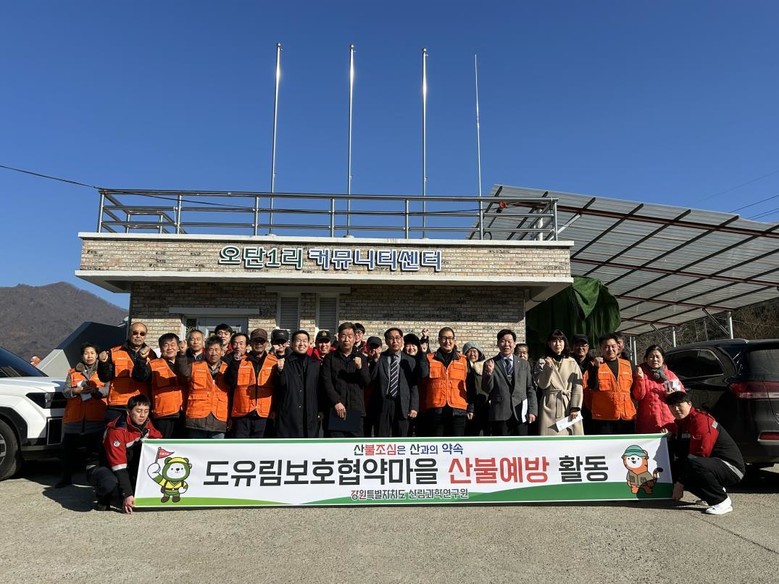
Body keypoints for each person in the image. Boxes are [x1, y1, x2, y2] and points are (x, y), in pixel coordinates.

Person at [665, 391, 745, 515]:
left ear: (689, 404)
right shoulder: (682, 423)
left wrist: (680, 484)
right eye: (672, 406)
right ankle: (711, 495)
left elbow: (700, 454)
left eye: (679, 405)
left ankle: (722, 502)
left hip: (731, 468)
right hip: (712, 465)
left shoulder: (700, 420)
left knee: (693, 465)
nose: (676, 409)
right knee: (676, 467)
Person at [88, 394, 162, 513]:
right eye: (138, 411)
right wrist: (127, 494)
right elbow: (119, 466)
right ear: (128, 412)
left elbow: (158, 441)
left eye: (146, 411)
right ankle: (102, 499)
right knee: (109, 483)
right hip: (102, 465)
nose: (142, 415)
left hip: (125, 463)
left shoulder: (146, 423)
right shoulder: (117, 430)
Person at [57, 343, 108, 488]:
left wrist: (95, 391)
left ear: (97, 355)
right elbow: (65, 392)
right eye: (86, 353)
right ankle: (65, 478)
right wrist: (76, 391)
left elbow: (108, 389)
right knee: (67, 451)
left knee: (94, 453)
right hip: (74, 418)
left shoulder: (103, 371)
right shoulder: (73, 372)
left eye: (92, 353)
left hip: (96, 417)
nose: (89, 356)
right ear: (81, 356)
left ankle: (93, 479)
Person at [320, 322, 371, 437]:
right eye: (343, 336)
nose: (346, 339)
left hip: (355, 409)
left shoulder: (361, 358)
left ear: (355, 338)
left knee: (355, 445)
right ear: (338, 337)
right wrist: (336, 402)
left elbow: (366, 381)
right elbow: (326, 382)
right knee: (336, 444)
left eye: (350, 336)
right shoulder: (330, 358)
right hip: (336, 409)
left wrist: (360, 368)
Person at [133, 333, 187, 439]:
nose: (170, 348)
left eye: (172, 345)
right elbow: (139, 377)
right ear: (161, 349)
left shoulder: (186, 363)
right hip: (163, 415)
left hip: (183, 413)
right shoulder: (153, 364)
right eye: (166, 345)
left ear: (178, 347)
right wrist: (141, 360)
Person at [174, 335, 230, 438]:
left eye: (217, 350)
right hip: (196, 420)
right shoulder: (195, 366)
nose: (213, 353)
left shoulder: (228, 369)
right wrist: (181, 355)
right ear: (205, 351)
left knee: (216, 448)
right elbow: (182, 372)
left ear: (222, 351)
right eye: (210, 350)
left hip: (219, 420)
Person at [484, 329, 537, 436]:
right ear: (498, 343)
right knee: (501, 445)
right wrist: (489, 374)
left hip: (521, 412)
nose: (506, 344)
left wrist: (532, 410)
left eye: (509, 341)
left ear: (514, 344)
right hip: (500, 413)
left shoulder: (524, 364)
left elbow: (530, 388)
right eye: (503, 341)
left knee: (521, 445)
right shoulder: (490, 363)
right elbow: (486, 389)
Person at [368, 328, 420, 437]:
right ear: (386, 341)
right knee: (381, 436)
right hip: (383, 403)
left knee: (402, 437)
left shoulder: (410, 361)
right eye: (391, 338)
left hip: (403, 404)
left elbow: (413, 386)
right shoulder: (380, 357)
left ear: (402, 340)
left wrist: (414, 407)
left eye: (397, 338)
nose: (394, 341)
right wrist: (375, 361)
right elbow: (371, 379)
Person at [421, 327, 473, 437]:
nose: (447, 341)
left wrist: (471, 408)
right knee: (437, 443)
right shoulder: (429, 358)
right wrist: (423, 351)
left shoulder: (463, 360)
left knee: (457, 443)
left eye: (450, 338)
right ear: (439, 340)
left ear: (454, 340)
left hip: (458, 410)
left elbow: (470, 385)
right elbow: (422, 376)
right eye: (444, 338)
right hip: (436, 409)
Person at [225, 330, 276, 438]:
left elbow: (278, 388)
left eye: (261, 341)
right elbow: (229, 382)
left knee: (260, 447)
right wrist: (235, 363)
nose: (259, 344)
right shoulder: (239, 360)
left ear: (266, 343)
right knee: (241, 446)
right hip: (242, 414)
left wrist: (275, 410)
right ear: (250, 343)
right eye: (256, 341)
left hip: (264, 415)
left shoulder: (274, 362)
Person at [97, 322, 152, 422]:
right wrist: (103, 363)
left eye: (142, 333)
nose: (138, 336)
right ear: (129, 333)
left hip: (140, 407)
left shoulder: (152, 355)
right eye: (135, 333)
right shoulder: (114, 352)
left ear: (145, 336)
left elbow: (143, 378)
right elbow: (105, 377)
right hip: (117, 405)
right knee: (115, 432)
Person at [583, 333, 636, 434]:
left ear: (618, 347)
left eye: (613, 346)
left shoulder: (628, 365)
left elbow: (635, 390)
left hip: (626, 416)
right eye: (606, 347)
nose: (610, 349)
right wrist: (596, 368)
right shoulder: (593, 364)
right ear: (601, 349)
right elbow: (592, 386)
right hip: (603, 418)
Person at [534, 330, 583, 436]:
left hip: (569, 404)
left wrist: (575, 407)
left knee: (571, 439)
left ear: (565, 343)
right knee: (551, 439)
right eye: (554, 341)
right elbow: (542, 385)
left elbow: (578, 386)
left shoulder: (572, 362)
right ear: (549, 343)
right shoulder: (542, 361)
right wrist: (548, 368)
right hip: (550, 406)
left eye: (560, 341)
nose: (558, 344)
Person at [276, 330, 322, 438]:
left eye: (305, 341)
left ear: (309, 344)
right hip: (290, 414)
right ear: (292, 344)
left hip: (310, 415)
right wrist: (280, 371)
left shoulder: (316, 364)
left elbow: (320, 389)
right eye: (298, 341)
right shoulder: (284, 363)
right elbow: (279, 386)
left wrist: (321, 410)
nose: (302, 344)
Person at [632, 345, 684, 433]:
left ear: (663, 358)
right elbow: (638, 396)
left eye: (657, 356)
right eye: (651, 357)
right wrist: (640, 379)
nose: (655, 359)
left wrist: (672, 396)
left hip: (669, 422)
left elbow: (682, 397)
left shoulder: (670, 375)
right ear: (646, 359)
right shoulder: (640, 373)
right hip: (648, 423)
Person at [462, 341, 488, 436]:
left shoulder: (485, 367)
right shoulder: (463, 367)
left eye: (475, 351)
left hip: (483, 406)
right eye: (469, 351)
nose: (472, 354)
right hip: (466, 405)